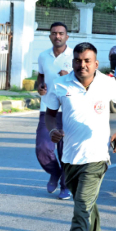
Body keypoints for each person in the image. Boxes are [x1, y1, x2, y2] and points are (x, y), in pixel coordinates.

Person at [46, 42, 116, 231]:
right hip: (70, 158)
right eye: (78, 60)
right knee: (85, 206)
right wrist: (53, 130)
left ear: (95, 63)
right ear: (73, 62)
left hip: (96, 157)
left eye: (87, 60)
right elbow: (50, 114)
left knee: (81, 209)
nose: (82, 65)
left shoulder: (107, 83)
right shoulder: (61, 85)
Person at [36, 22, 73, 200]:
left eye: (61, 33)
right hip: (48, 109)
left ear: (67, 36)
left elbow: (88, 79)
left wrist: (71, 77)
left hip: (70, 109)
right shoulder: (43, 56)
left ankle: (66, 186)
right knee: (42, 148)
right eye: (54, 33)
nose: (57, 36)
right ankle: (55, 172)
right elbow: (40, 77)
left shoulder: (76, 56)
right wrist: (40, 87)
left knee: (65, 151)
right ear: (50, 36)